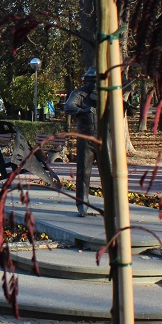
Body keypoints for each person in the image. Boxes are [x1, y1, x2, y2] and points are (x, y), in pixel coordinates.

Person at [63, 67, 97, 217]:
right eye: (91, 81)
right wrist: (84, 111)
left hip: (104, 138)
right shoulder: (78, 93)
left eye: (97, 81)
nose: (94, 85)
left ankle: (114, 204)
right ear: (86, 80)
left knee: (110, 172)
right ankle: (82, 204)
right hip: (85, 137)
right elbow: (68, 106)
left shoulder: (105, 94)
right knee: (83, 171)